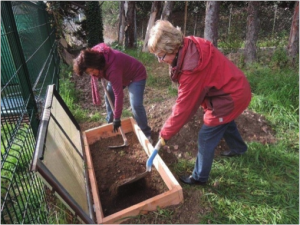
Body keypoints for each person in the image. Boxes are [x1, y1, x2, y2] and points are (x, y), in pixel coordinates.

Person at [147, 20, 252, 185]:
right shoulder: (189, 44)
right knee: (224, 122)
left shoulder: (192, 68)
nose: (160, 61)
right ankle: (239, 149)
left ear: (172, 49)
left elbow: (184, 108)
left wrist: (165, 133)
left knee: (206, 136)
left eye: (161, 56)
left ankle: (199, 178)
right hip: (234, 87)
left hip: (230, 97)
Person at [73, 43, 152, 142]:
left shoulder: (113, 69)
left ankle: (146, 133)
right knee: (108, 96)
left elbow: (119, 95)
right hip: (121, 74)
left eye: (92, 70)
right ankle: (110, 122)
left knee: (136, 105)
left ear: (97, 63)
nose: (91, 74)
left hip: (136, 75)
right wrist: (97, 73)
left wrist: (117, 118)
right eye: (89, 72)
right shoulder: (95, 53)